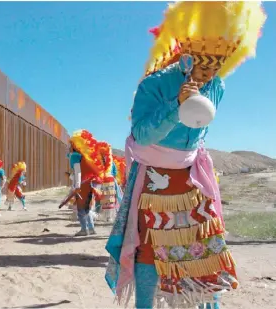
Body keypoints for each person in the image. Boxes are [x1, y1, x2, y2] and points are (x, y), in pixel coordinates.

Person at [104, 2, 266, 308]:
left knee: (205, 247)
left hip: (193, 180)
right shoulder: (153, 85)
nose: (209, 75)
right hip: (154, 184)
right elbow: (141, 135)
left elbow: (201, 129)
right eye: (204, 68)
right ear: (188, 58)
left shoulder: (217, 86)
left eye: (216, 68)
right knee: (149, 247)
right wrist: (176, 107)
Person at [68, 130, 105, 236]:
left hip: (82, 186)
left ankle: (84, 229)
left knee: (81, 209)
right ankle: (91, 228)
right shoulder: (84, 157)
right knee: (87, 209)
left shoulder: (75, 157)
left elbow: (77, 172)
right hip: (88, 184)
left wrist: (77, 186)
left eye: (70, 144)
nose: (69, 146)